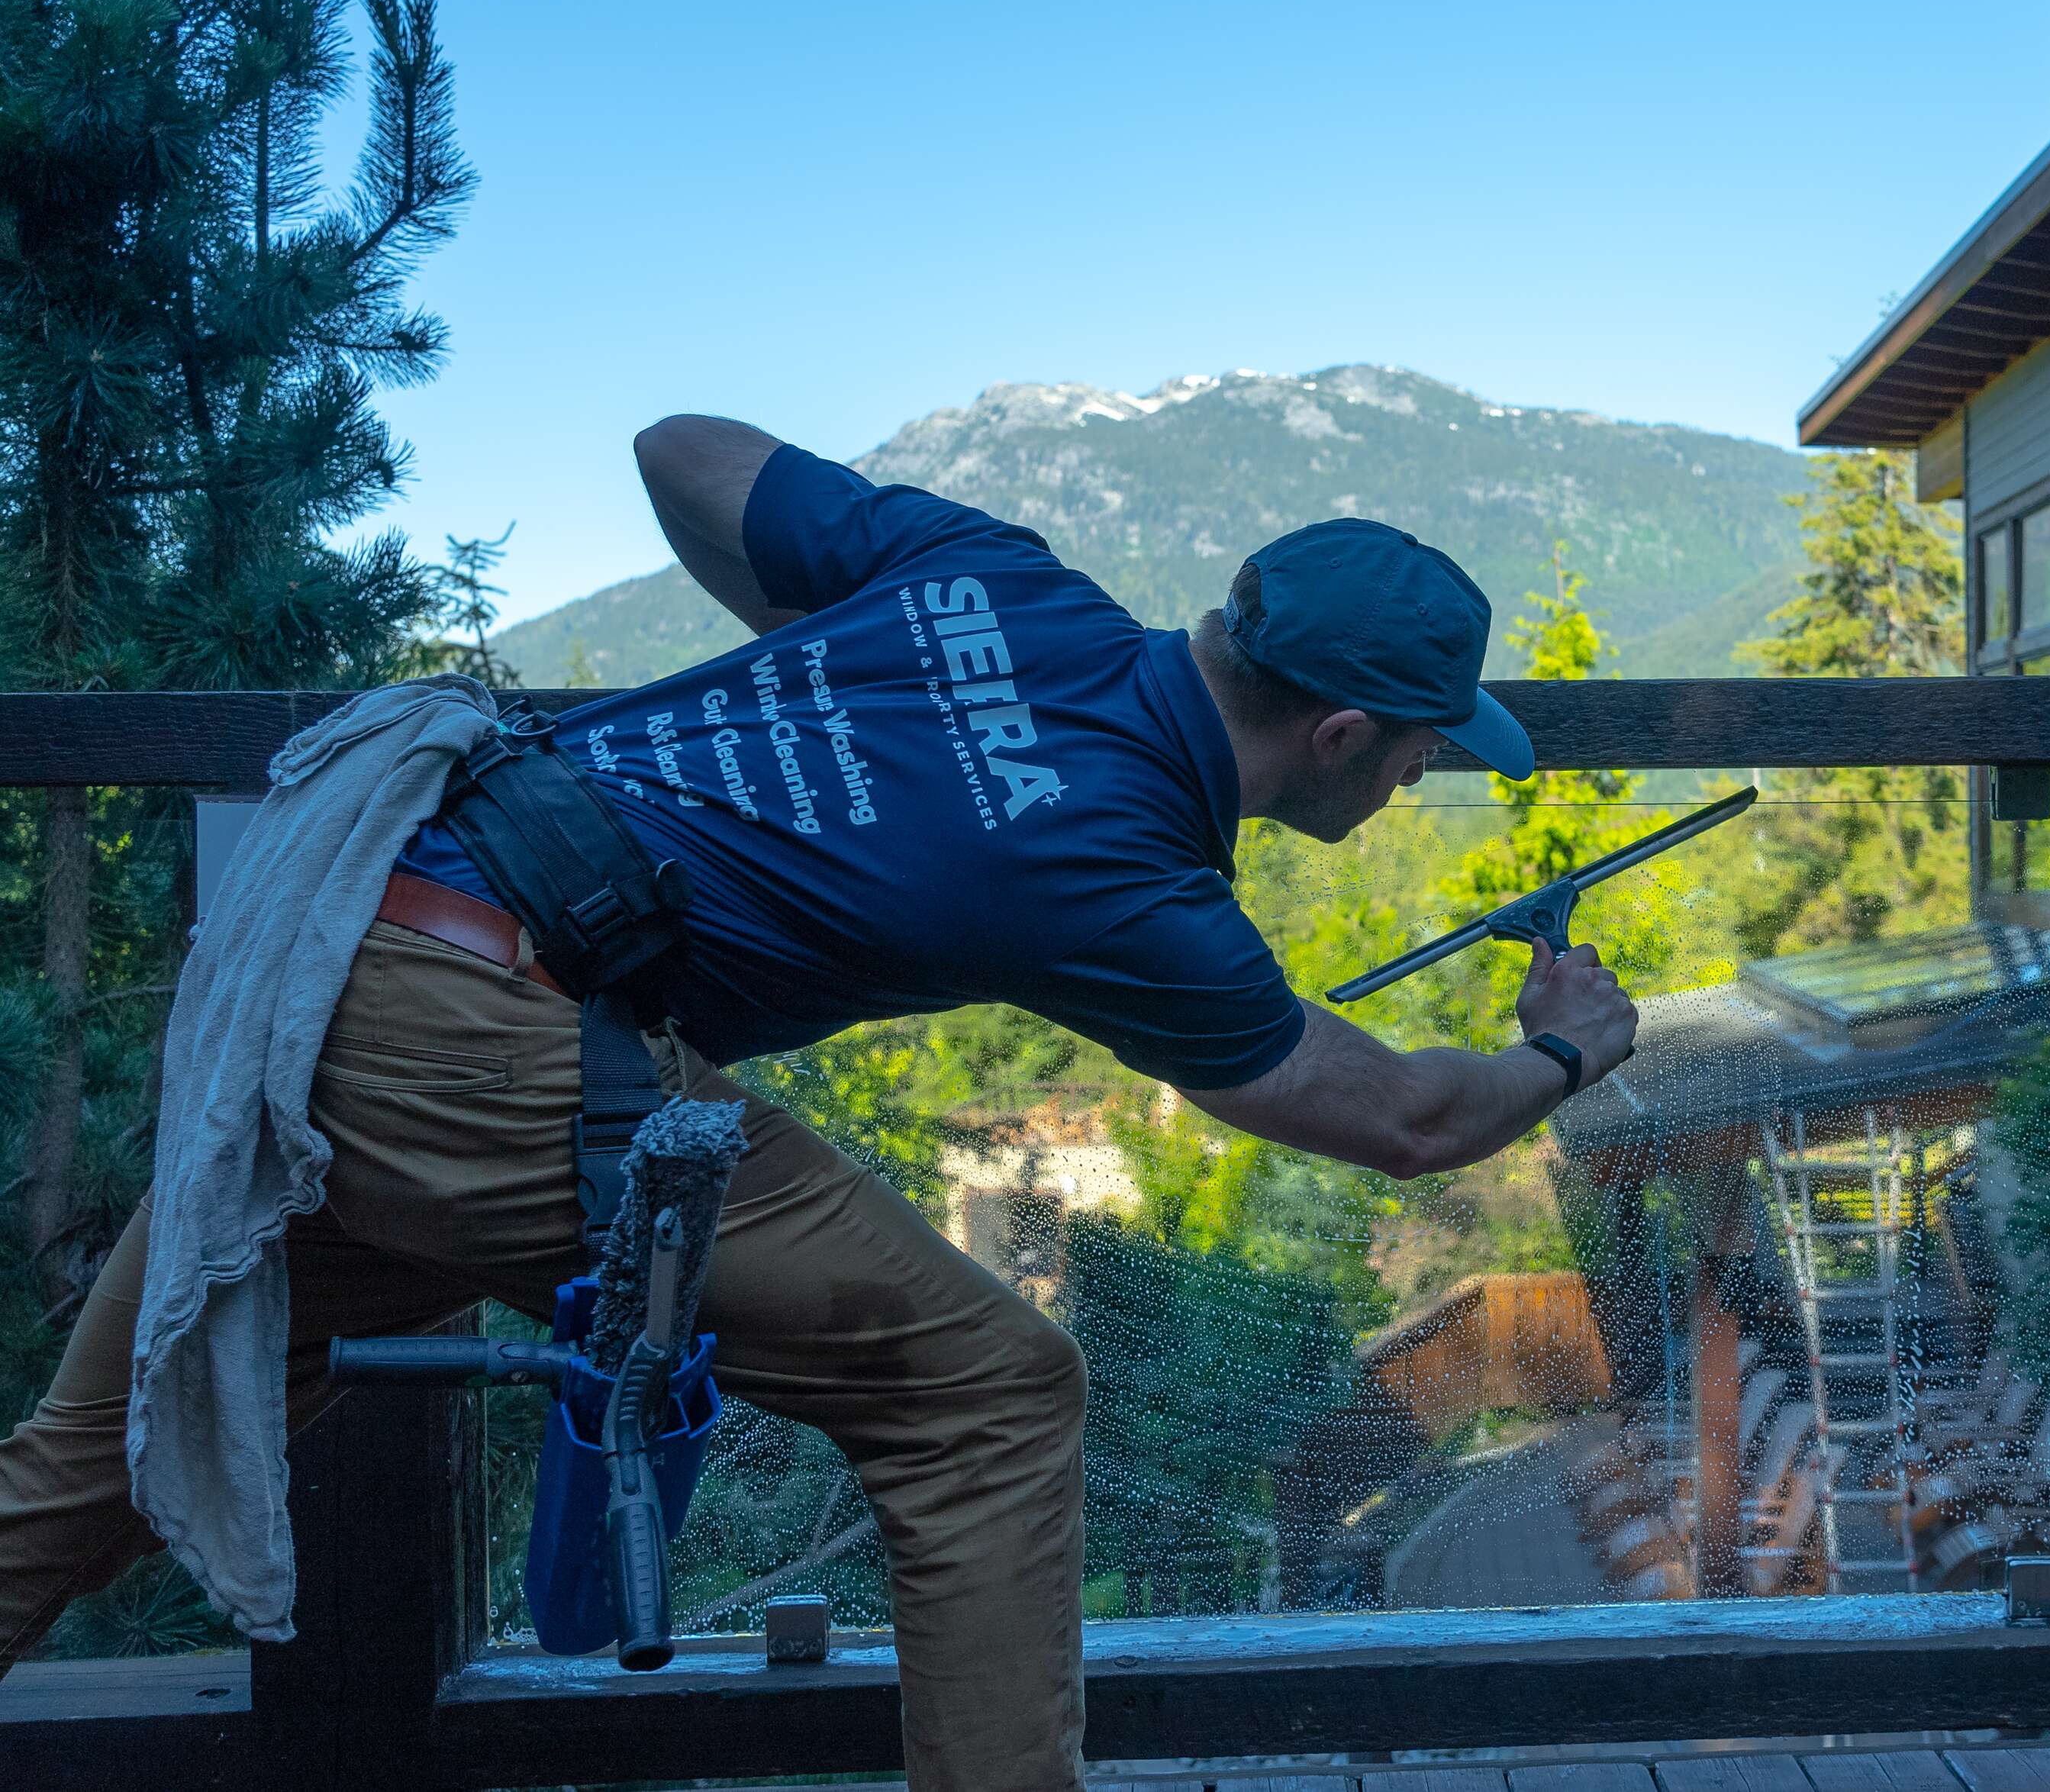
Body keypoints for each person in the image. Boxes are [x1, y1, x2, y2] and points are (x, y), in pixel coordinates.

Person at [0, 417, 1640, 1792]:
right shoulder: (1125, 869)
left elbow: (679, 450)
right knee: (995, 1395)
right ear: (1340, 733)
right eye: (1423, 750)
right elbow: (1406, 1121)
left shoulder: (997, 578)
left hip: (320, 958)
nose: (1423, 776)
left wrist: (820, 643)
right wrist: (1567, 1049)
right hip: (486, 1043)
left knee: (91, 1465)